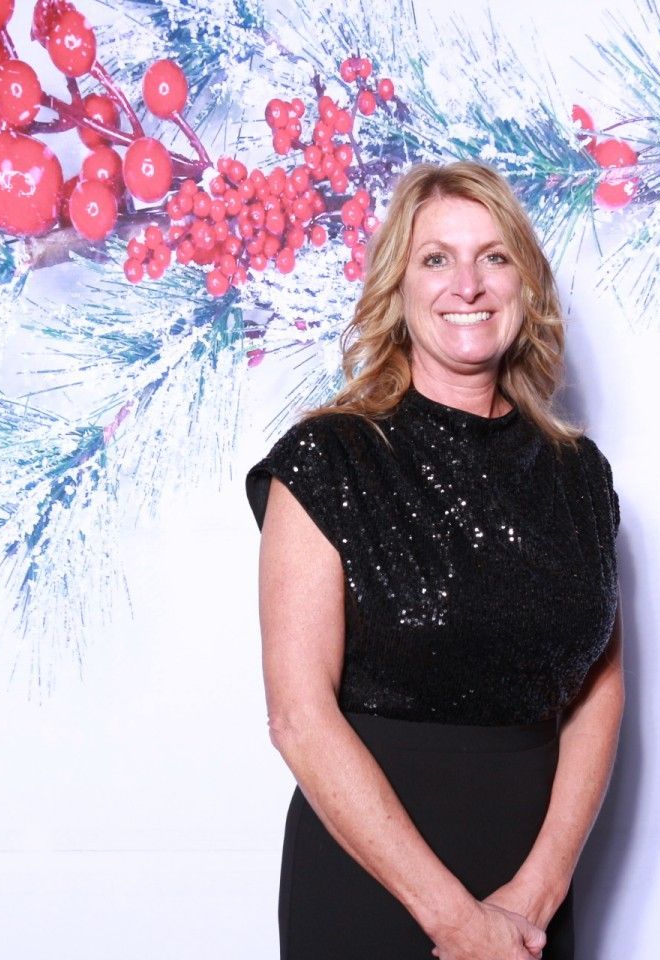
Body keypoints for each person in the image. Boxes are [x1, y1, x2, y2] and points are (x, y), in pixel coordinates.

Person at [246, 161, 623, 960]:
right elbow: (298, 717)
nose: (468, 285)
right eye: (437, 258)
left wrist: (535, 897)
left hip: (531, 893)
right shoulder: (328, 460)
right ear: (399, 287)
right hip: (371, 881)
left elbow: (600, 691)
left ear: (524, 283)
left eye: (494, 257)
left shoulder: (579, 476)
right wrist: (457, 923)